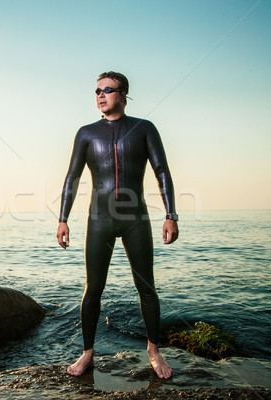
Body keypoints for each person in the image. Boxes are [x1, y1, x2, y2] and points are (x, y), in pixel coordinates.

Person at [56, 71, 179, 379]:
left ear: (123, 94)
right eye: (97, 90)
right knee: (93, 288)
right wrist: (62, 219)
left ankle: (153, 350)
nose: (100, 95)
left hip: (135, 220)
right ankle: (87, 354)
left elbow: (162, 171)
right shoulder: (86, 133)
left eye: (107, 90)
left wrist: (171, 214)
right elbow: (72, 178)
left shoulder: (144, 129)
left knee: (146, 287)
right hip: (99, 221)